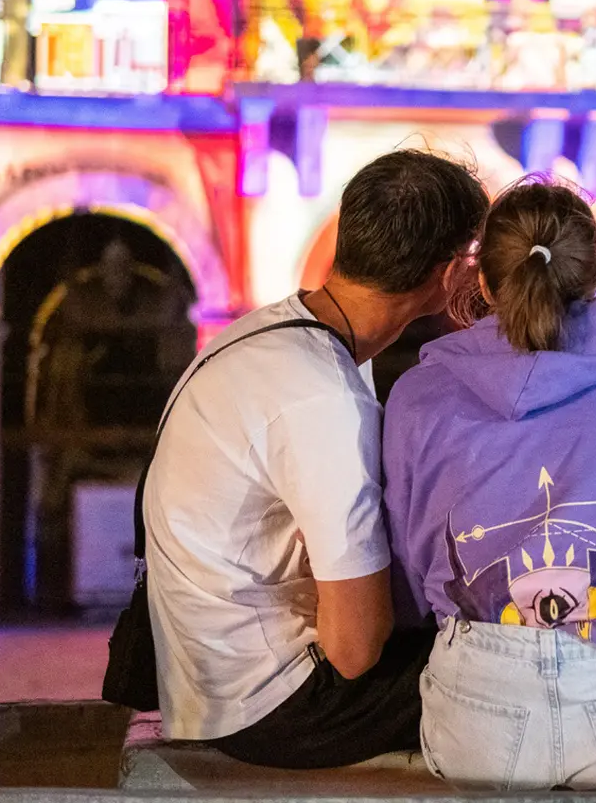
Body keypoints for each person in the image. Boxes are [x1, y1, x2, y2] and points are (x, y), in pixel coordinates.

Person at [144, 149, 489, 768]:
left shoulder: (270, 334)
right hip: (268, 706)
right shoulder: (322, 396)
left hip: (204, 685)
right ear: (448, 271)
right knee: (519, 682)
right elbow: (354, 650)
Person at [382, 176, 596, 790]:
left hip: (478, 708)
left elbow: (411, 553)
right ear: (594, 276)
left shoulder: (417, 397)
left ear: (481, 280)